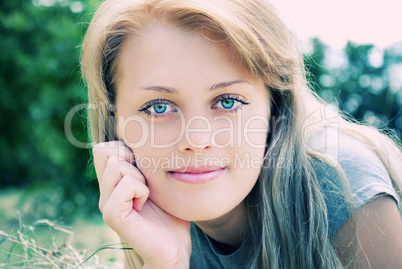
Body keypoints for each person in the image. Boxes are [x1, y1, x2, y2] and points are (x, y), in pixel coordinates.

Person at [80, 0, 402, 268]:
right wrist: (168, 264)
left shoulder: (341, 185)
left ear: (275, 109)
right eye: (159, 107)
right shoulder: (149, 215)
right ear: (115, 123)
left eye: (228, 101)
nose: (197, 139)